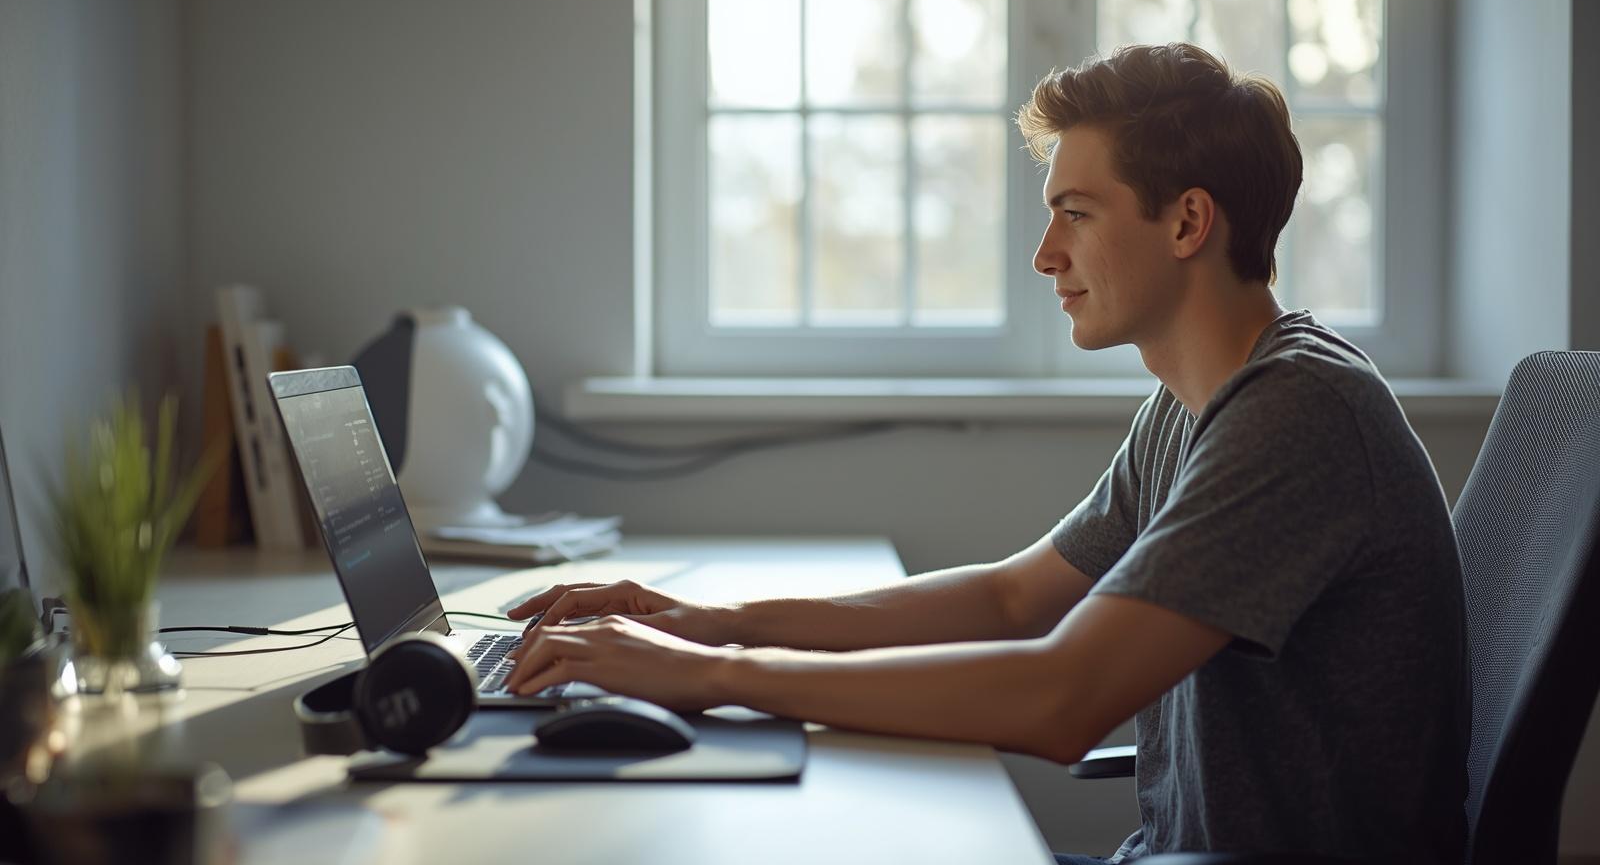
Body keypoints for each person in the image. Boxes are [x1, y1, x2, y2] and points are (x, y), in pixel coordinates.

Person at [502, 43, 1468, 863]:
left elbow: (1062, 698)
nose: (1045, 254)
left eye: (1077, 213)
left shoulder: (1298, 412)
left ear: (1186, 222)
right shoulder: (1194, 407)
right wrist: (709, 625)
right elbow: (1012, 599)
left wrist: (708, 679)